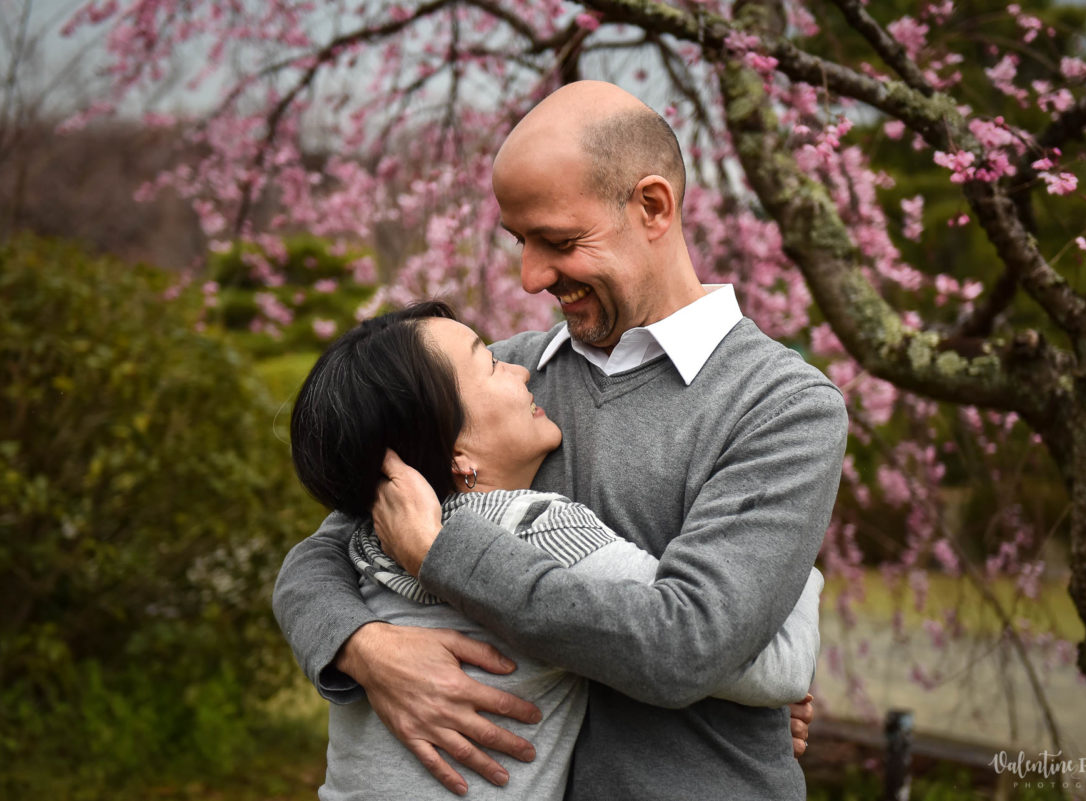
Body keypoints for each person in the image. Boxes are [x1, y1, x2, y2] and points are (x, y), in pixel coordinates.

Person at [274, 80, 848, 801]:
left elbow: (691, 647)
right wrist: (367, 647)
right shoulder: (504, 383)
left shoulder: (781, 406)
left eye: (559, 241)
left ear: (652, 207)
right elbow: (325, 551)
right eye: (520, 242)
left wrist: (446, 557)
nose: (531, 275)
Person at [289, 300, 824, 800]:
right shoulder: (540, 526)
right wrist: (791, 565)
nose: (521, 371)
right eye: (492, 365)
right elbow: (771, 666)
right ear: (456, 455)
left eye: (558, 238)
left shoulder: (374, 542)